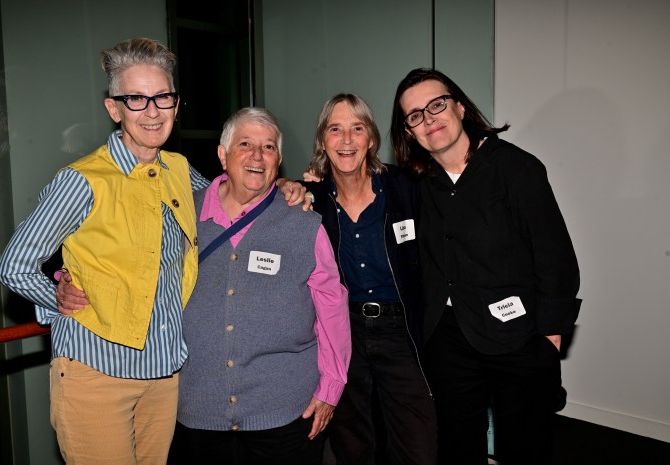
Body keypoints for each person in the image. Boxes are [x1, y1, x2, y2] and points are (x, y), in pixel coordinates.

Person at [0, 38, 305, 465]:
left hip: (164, 378)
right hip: (95, 374)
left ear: (177, 105)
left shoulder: (178, 169)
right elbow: (14, 265)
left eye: (162, 97)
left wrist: (283, 187)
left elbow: (229, 197)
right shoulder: (82, 180)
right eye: (136, 99)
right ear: (113, 109)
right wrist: (60, 299)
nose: (153, 110)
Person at [389, 67, 582, 465]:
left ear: (460, 107)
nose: (429, 119)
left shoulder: (517, 169)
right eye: (415, 115)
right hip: (448, 340)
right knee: (459, 446)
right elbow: (358, 181)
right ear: (409, 132)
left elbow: (556, 259)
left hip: (518, 336)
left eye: (437, 105)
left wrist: (549, 343)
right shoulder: (415, 182)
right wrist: (303, 185)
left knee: (526, 447)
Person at [166, 107, 351, 465]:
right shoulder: (183, 216)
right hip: (197, 410)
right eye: (245, 144)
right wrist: (70, 280)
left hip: (286, 413)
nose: (257, 156)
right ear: (222, 154)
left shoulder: (303, 223)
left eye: (268, 148)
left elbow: (332, 308)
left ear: (278, 161)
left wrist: (330, 389)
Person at [303, 93, 437, 465]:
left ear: (372, 139)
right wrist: (288, 185)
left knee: (418, 444)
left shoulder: (406, 187)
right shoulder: (312, 201)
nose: (346, 140)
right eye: (335, 129)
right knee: (351, 444)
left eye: (357, 128)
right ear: (322, 140)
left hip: (403, 329)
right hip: (344, 331)